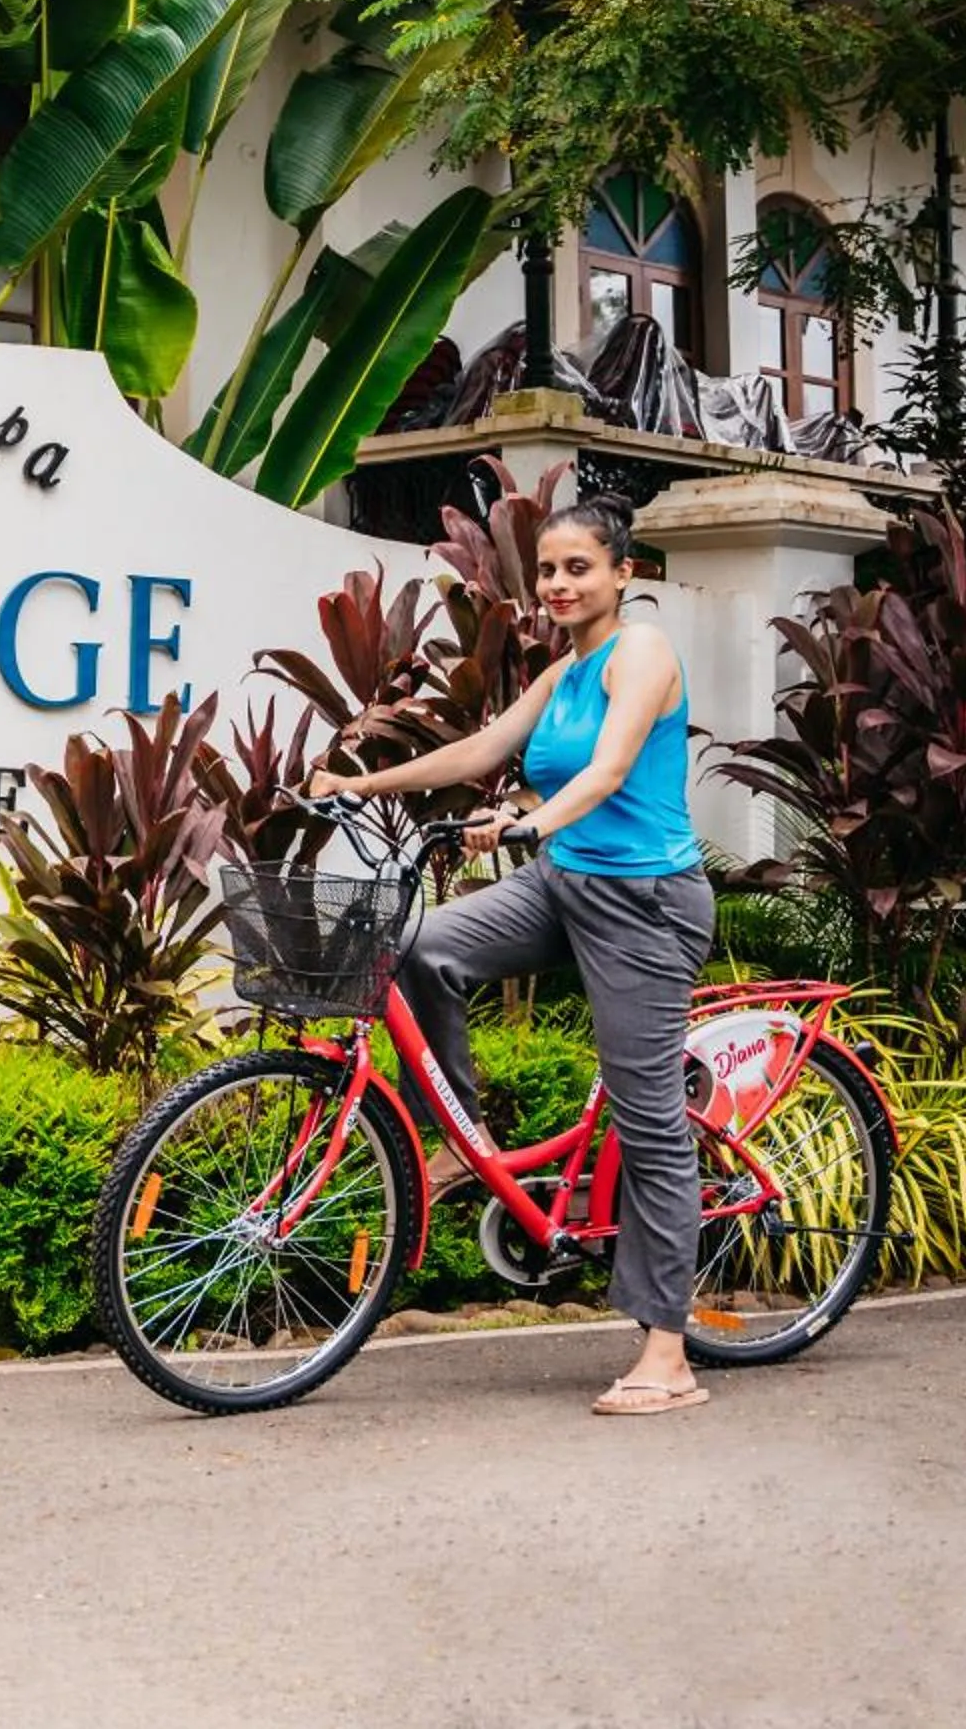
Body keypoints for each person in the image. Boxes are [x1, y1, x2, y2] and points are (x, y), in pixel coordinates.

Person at [310, 494, 715, 1418]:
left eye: (580, 568)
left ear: (624, 573)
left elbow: (610, 769)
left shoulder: (642, 654)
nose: (560, 585)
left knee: (647, 1116)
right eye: (548, 571)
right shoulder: (564, 670)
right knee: (414, 949)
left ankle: (668, 1352)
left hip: (644, 904)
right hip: (564, 886)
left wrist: (526, 825)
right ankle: (466, 1142)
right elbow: (480, 748)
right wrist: (355, 783)